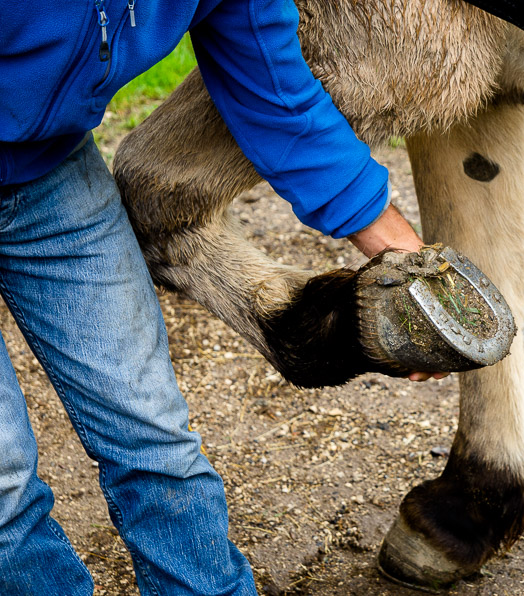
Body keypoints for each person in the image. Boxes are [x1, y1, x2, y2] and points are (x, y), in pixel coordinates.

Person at [0, 0, 441, 593]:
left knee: (154, 437)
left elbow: (273, 91)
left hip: (49, 177)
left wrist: (405, 259)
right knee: (2, 481)